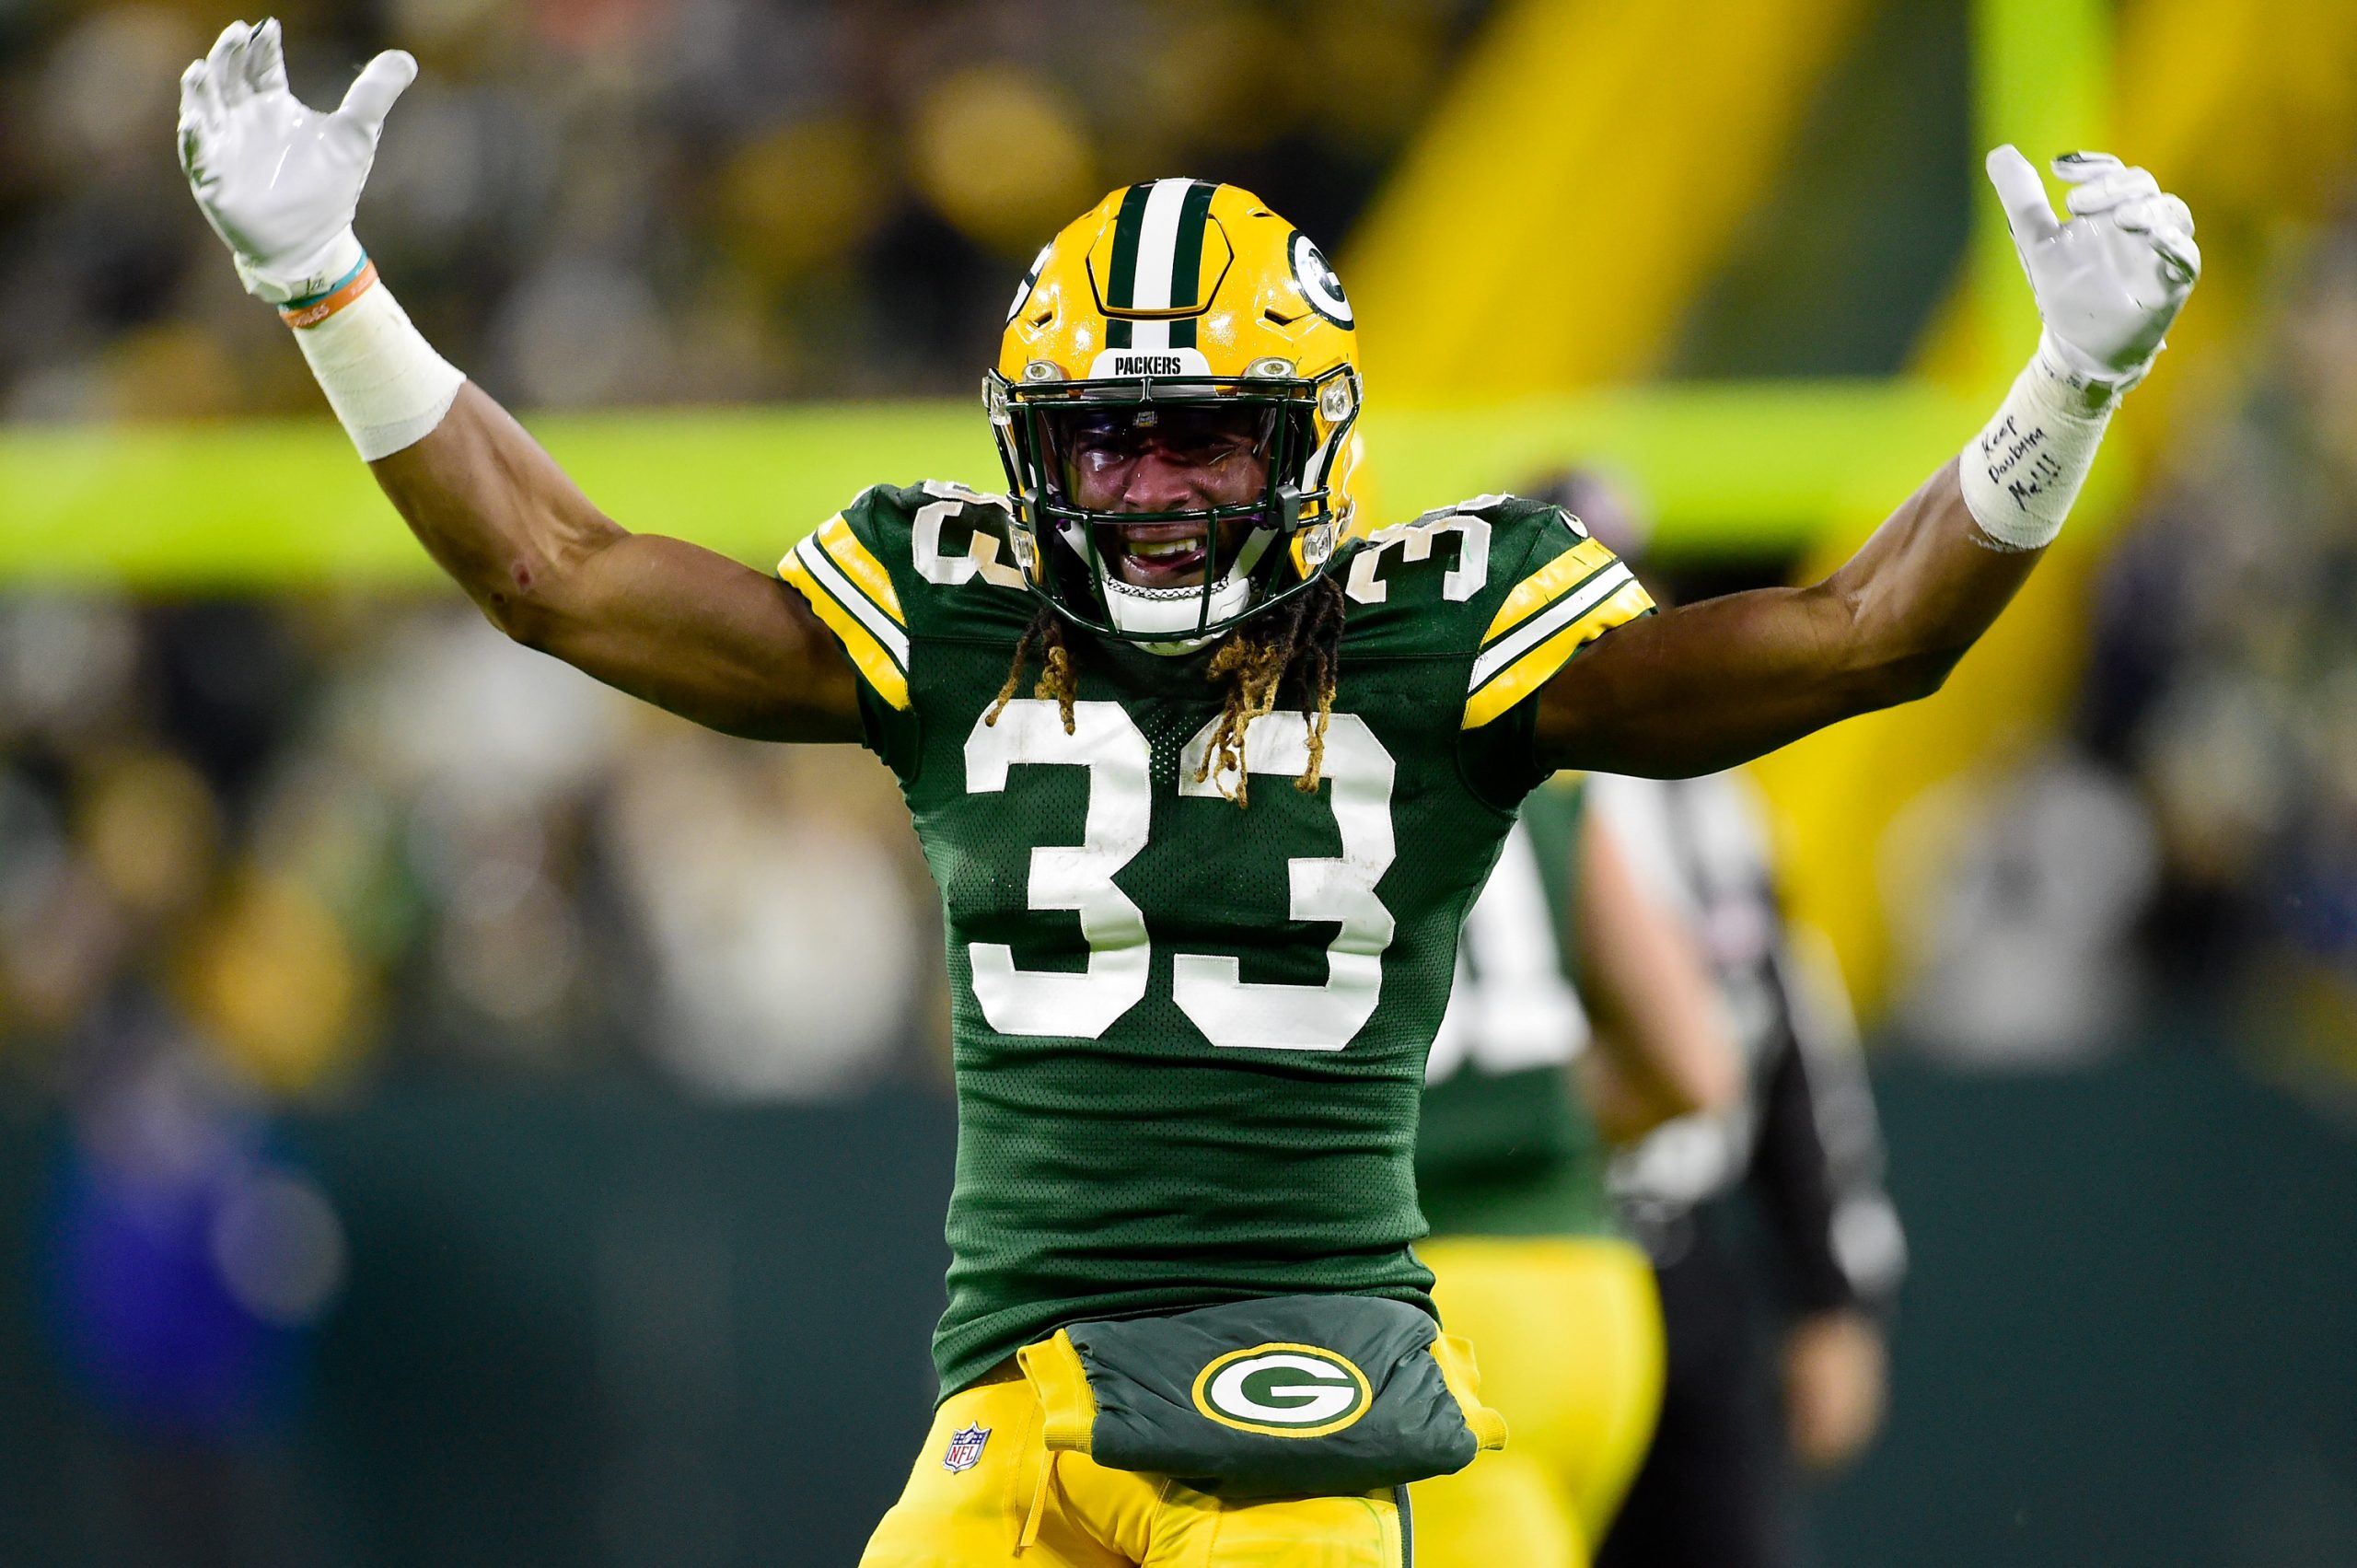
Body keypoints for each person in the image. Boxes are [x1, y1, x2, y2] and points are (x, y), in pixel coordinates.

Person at [173, 18, 2199, 1565]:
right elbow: (563, 576)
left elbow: (1863, 636)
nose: (1143, 489)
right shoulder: (950, 607)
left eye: (1198, 439)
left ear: (1304, 443)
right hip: (1017, 1388)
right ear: (1030, 449)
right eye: (1105, 441)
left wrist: (2062, 393)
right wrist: (326, 287)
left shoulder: (1442, 628)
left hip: (1301, 1384)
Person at [1411, 772, 1739, 1568]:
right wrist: (1533, 1118)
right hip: (1595, 1305)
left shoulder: (1268, 765)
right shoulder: (1539, 767)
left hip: (1423, 1311)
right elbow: (1696, 1067)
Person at [1588, 759, 1907, 1568]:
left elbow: (1784, 1031)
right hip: (1535, 1243)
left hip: (1681, 1264)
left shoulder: (1711, 792)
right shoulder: (1526, 772)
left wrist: (1832, 1292)